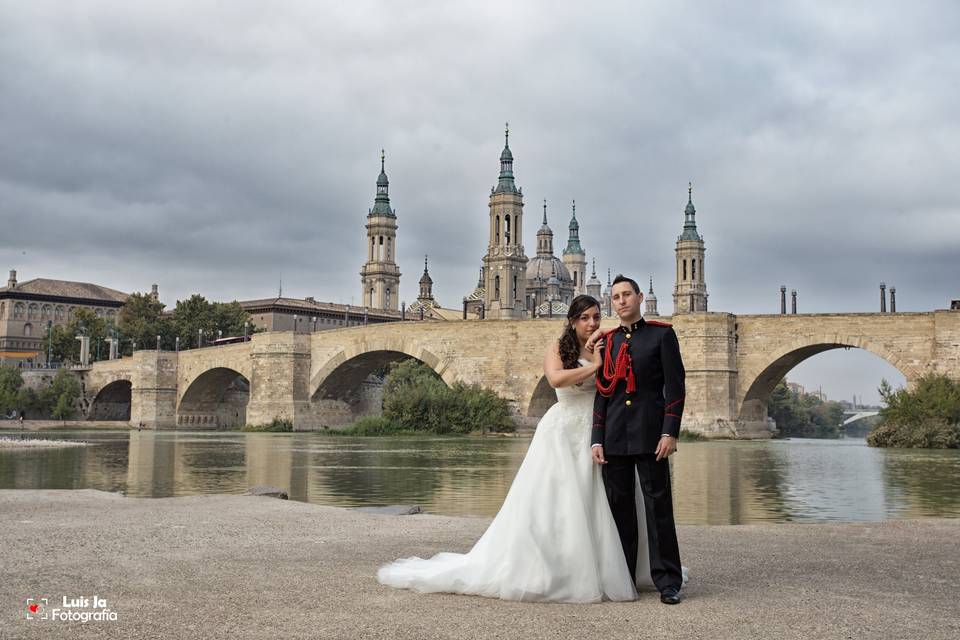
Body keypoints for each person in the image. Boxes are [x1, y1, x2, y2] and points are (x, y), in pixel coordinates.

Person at [376, 295, 654, 602]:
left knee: (604, 501)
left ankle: (613, 568)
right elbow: (556, 379)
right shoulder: (560, 348)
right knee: (559, 503)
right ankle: (562, 570)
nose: (592, 323)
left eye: (596, 317)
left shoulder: (605, 344)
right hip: (564, 432)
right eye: (585, 318)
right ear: (573, 321)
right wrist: (597, 366)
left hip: (599, 431)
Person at [590, 275, 687, 605]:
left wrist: (669, 431)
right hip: (615, 436)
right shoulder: (609, 341)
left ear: (640, 297)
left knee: (658, 506)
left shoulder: (662, 335)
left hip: (651, 435)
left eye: (627, 294)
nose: (621, 301)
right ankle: (625, 576)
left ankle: (668, 581)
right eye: (616, 297)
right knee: (620, 509)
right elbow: (603, 394)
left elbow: (675, 388)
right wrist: (596, 439)